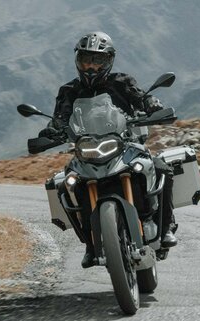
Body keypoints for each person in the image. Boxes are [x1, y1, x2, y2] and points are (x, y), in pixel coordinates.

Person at [30, 31, 177, 268]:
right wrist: (51, 130)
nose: (91, 67)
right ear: (78, 61)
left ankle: (166, 227)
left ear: (109, 60)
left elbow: (141, 99)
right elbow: (60, 118)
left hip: (124, 144)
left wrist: (152, 105)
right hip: (87, 150)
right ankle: (91, 244)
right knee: (68, 184)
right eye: (85, 60)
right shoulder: (69, 91)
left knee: (161, 168)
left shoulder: (122, 82)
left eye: (97, 60)